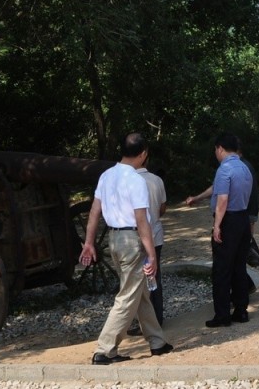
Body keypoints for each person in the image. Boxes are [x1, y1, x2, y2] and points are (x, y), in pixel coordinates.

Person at [80, 132, 173, 365]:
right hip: (132, 240)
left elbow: (94, 212)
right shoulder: (136, 180)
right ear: (143, 154)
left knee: (139, 292)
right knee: (127, 295)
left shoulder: (106, 176)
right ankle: (104, 349)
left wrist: (89, 242)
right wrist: (151, 254)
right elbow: (142, 220)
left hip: (114, 239)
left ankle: (157, 342)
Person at [184, 133, 253, 327]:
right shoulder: (244, 168)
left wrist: (217, 226)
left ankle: (222, 315)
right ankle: (241, 311)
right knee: (239, 267)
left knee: (222, 269)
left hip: (228, 221)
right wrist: (197, 198)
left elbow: (222, 199)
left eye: (215, 149)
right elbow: (216, 188)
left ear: (220, 148)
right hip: (243, 219)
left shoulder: (224, 169)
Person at [134, 151, 167, 329]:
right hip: (156, 234)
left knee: (138, 280)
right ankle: (158, 318)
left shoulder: (130, 181)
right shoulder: (157, 180)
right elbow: (162, 208)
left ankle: (144, 323)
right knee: (155, 276)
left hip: (137, 237)